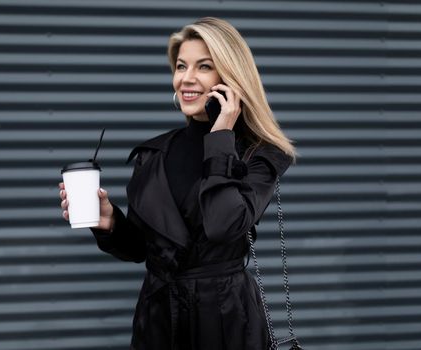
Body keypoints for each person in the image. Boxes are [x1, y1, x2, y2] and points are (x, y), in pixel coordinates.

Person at [59, 17, 297, 350]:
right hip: (158, 320)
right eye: (181, 66)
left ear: (230, 77)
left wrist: (221, 135)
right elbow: (143, 249)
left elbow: (223, 224)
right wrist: (109, 222)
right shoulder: (154, 153)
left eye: (204, 67)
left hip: (226, 320)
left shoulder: (259, 155)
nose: (186, 78)